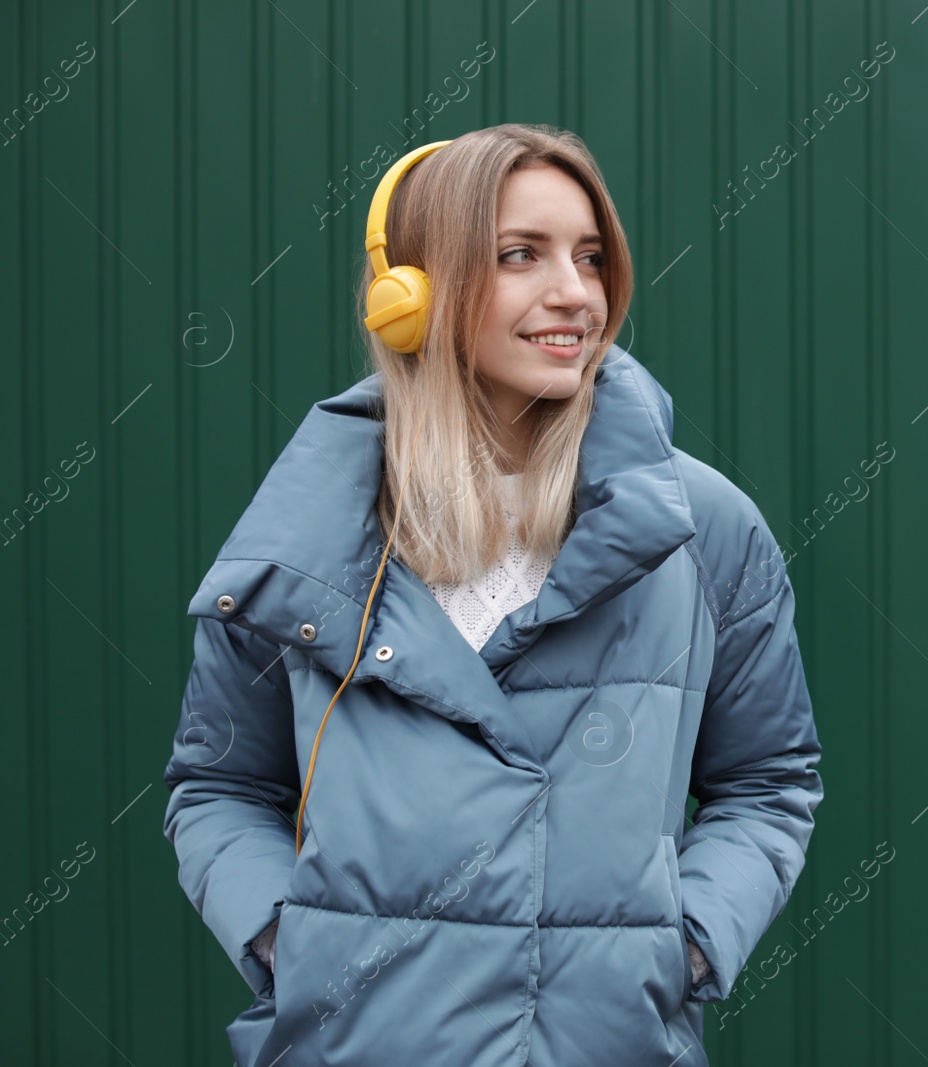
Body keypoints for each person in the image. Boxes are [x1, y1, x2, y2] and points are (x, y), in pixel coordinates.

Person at [161, 123, 823, 1066]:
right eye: (521, 255)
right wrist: (288, 941)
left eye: (591, 258)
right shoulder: (306, 536)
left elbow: (768, 780)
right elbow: (220, 781)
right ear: (412, 293)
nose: (576, 295)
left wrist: (683, 944)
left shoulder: (701, 528)